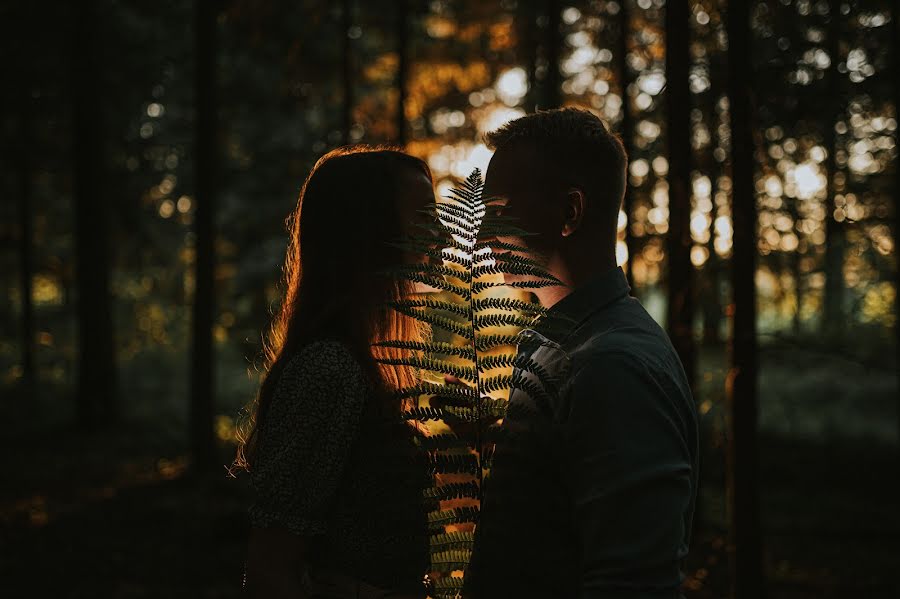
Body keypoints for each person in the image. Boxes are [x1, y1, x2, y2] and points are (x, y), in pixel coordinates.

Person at [463, 108, 699, 597]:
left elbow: (633, 585)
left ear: (570, 212)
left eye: (501, 210)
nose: (483, 237)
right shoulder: (557, 342)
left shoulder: (613, 366)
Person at [234, 145, 436, 598]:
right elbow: (270, 572)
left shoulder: (369, 364)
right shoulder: (329, 369)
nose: (441, 236)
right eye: (424, 218)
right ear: (369, 234)